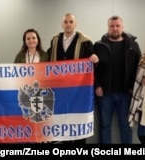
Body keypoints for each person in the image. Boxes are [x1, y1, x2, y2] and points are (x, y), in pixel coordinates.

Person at [47, 13, 99, 144]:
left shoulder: (85, 42)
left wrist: (95, 59)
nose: (68, 24)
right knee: (62, 120)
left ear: (75, 24)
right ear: (62, 24)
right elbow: (47, 60)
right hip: (59, 89)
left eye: (71, 22)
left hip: (79, 90)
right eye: (66, 22)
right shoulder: (55, 40)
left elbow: (92, 63)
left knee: (78, 119)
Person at [94, 15, 141, 144]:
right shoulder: (98, 46)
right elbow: (92, 69)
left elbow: (139, 68)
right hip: (104, 94)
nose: (115, 28)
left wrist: (134, 87)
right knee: (105, 127)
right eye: (112, 26)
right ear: (107, 28)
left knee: (125, 126)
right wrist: (97, 85)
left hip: (126, 94)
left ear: (122, 27)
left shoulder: (133, 45)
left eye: (117, 25)